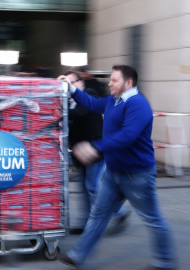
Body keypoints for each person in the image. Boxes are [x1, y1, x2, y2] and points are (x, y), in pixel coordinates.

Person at [57, 65, 177, 269]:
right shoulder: (114, 100)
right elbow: (93, 103)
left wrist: (95, 146)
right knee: (98, 215)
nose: (109, 83)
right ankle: (78, 255)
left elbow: (127, 136)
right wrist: (72, 89)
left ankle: (165, 260)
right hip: (114, 172)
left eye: (114, 80)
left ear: (128, 83)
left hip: (136, 175)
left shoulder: (138, 105)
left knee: (153, 218)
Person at [64, 70, 129, 234]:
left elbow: (81, 112)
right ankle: (87, 223)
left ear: (81, 83)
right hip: (81, 152)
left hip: (95, 148)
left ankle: (120, 212)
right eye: (66, 84)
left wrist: (59, 109)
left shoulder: (89, 94)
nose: (68, 87)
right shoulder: (68, 100)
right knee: (85, 188)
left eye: (71, 83)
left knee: (92, 186)